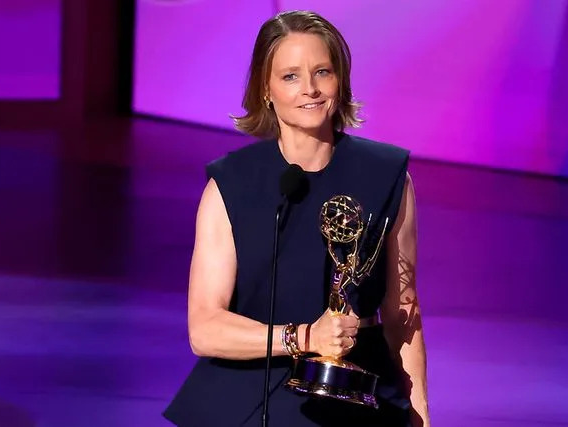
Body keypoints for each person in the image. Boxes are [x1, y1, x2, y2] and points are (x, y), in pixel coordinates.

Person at [163, 10, 429, 427]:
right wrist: (305, 337)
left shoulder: (388, 176)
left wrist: (421, 417)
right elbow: (205, 329)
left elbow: (403, 313)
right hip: (253, 390)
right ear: (265, 90)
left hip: (356, 393)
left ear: (340, 81)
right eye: (290, 76)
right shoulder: (231, 185)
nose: (310, 89)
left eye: (322, 72)